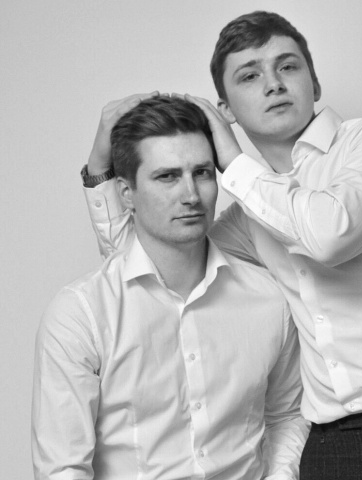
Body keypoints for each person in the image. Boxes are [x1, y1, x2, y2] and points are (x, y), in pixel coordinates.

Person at [82, 11, 362, 479]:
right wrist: (100, 168)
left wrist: (231, 160)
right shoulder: (252, 217)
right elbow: (150, 260)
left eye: (287, 66)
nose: (273, 84)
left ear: (315, 83)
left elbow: (329, 233)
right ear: (226, 108)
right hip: (330, 444)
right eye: (249, 76)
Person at [32, 96, 310, 480]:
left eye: (202, 173)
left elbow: (286, 415)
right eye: (167, 177)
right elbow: (63, 469)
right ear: (125, 193)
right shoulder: (81, 315)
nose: (191, 196)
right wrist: (97, 170)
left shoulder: (269, 300)